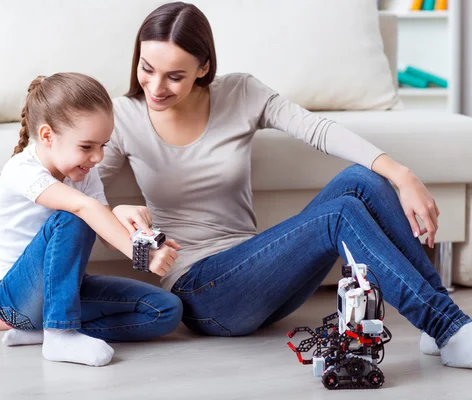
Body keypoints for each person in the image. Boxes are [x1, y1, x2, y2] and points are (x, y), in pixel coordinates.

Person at [95, 2, 472, 369]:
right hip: (202, 294)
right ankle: (447, 327)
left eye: (174, 76)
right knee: (339, 214)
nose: (156, 87)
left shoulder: (239, 92)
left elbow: (316, 129)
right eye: (147, 69)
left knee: (362, 179)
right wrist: (118, 213)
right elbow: (82, 195)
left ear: (203, 67)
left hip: (264, 280)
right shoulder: (125, 117)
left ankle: (442, 325)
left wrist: (402, 174)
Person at [0, 72, 182, 366]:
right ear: (48, 136)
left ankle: (45, 329)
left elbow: (105, 235)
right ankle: (59, 335)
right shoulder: (22, 170)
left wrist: (121, 215)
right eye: (87, 147)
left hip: (62, 290)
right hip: (13, 299)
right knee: (74, 217)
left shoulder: (83, 173)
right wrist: (144, 255)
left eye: (104, 145)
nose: (98, 157)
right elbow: (84, 211)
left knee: (166, 311)